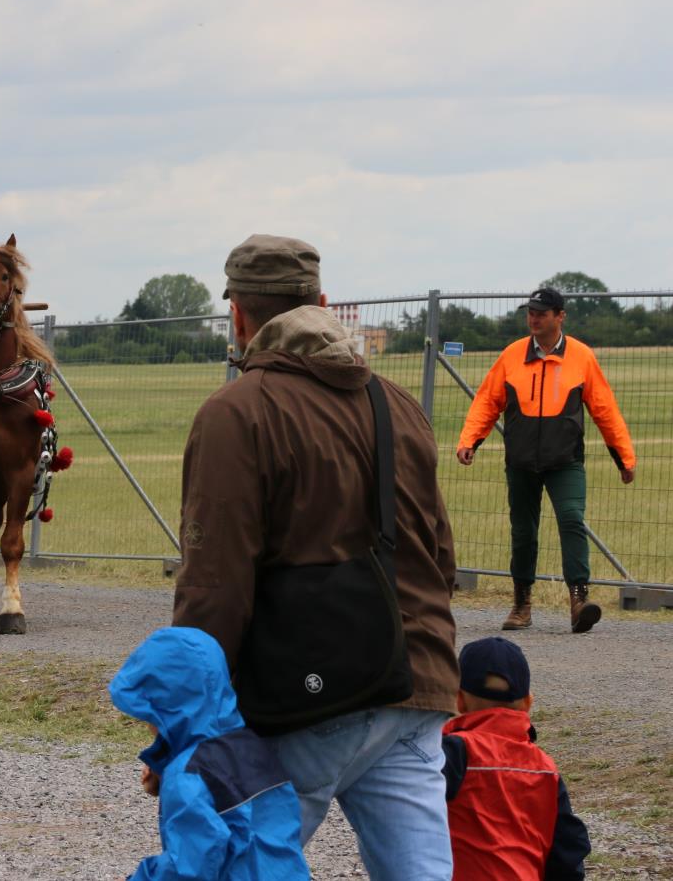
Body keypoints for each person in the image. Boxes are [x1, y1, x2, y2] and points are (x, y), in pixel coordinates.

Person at [172, 234, 460, 881]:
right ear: (322, 304)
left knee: (230, 864)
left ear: (238, 319)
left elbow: (214, 585)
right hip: (418, 682)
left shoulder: (235, 412)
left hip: (302, 696)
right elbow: (438, 558)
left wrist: (184, 721)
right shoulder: (399, 406)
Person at [455, 286, 636, 634]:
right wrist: (469, 441)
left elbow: (605, 410)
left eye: (541, 312)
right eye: (531, 312)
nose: (533, 318)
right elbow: (487, 401)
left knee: (571, 519)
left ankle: (579, 601)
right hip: (520, 461)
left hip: (565, 461)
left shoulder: (582, 357)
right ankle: (521, 605)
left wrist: (624, 457)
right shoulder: (511, 355)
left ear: (560, 316)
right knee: (523, 532)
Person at [109, 626, 310, 880]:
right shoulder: (254, 748)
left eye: (148, 711)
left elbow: (189, 869)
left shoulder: (187, 777)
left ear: (165, 705)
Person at [441, 637, 589, 879]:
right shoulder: (545, 768)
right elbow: (567, 851)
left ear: (458, 699)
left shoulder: (454, 752)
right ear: (528, 702)